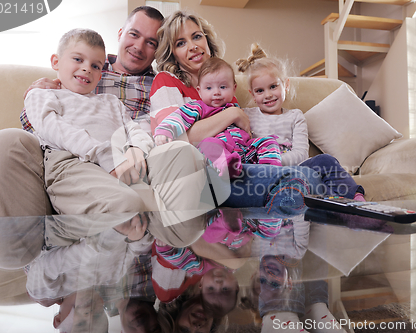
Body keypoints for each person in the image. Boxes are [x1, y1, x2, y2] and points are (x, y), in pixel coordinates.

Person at [0, 6, 215, 221]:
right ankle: (18, 249)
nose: (139, 46)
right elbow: (38, 121)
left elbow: (155, 128)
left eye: (151, 42)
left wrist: (135, 149)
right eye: (134, 34)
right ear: (121, 33)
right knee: (4, 141)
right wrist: (37, 94)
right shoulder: (88, 69)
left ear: (158, 49)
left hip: (128, 157)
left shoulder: (160, 83)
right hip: (68, 153)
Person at [150, 10, 314, 211]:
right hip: (196, 173)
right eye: (180, 43)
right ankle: (278, 187)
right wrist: (232, 113)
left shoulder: (223, 84)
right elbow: (177, 140)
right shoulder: (166, 81)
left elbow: (242, 135)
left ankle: (278, 182)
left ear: (207, 41)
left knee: (277, 150)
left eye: (196, 36)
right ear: (172, 53)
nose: (192, 46)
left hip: (238, 163)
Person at [24, 28, 156, 215]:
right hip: (72, 162)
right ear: (56, 62)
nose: (87, 68)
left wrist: (136, 148)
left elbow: (133, 128)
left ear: (100, 74)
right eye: (78, 59)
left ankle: (139, 243)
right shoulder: (43, 94)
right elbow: (52, 128)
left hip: (118, 163)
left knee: (150, 209)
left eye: (95, 66)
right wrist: (105, 156)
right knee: (125, 207)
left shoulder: (111, 102)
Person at [236, 43, 366, 201]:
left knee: (326, 160)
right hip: (261, 173)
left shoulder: (295, 116)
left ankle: (355, 198)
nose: (268, 95)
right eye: (260, 91)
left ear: (286, 85)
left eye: (273, 86)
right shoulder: (245, 115)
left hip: (294, 170)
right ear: (252, 94)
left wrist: (272, 161)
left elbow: (301, 154)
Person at [154, 57, 282, 178]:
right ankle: (226, 166)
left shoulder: (237, 109)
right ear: (199, 90)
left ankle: (270, 172)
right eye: (209, 88)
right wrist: (164, 131)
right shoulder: (198, 107)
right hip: (220, 152)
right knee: (208, 144)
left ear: (234, 88)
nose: (216, 92)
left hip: (244, 150)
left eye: (222, 87)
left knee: (267, 141)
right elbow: (179, 117)